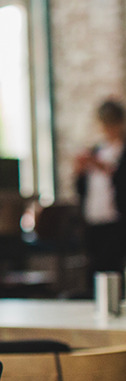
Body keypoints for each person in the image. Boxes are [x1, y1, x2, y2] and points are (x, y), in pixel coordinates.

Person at [75, 99, 126, 277]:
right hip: (94, 217)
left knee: (111, 265)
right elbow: (84, 189)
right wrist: (80, 173)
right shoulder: (96, 151)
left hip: (117, 218)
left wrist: (108, 170)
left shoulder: (123, 151)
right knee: (94, 267)